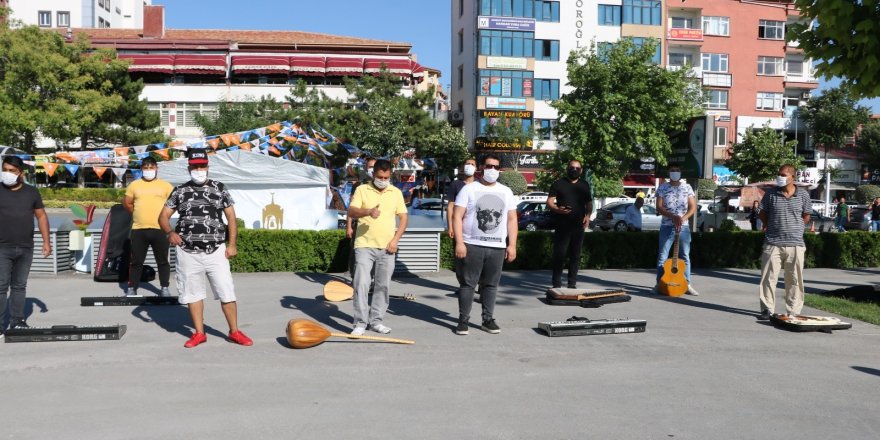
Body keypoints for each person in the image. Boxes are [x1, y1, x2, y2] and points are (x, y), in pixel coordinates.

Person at [158, 149, 252, 348]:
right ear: (189, 168)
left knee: (226, 292)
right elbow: (163, 216)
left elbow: (231, 218)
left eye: (202, 166)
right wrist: (169, 233)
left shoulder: (219, 188)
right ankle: (199, 333)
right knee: (193, 294)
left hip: (216, 251)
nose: (199, 170)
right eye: (195, 166)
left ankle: (234, 331)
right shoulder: (180, 191)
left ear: (208, 167)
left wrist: (232, 244)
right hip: (187, 252)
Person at [452, 154, 517, 335]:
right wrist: (459, 242)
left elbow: (511, 219)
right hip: (472, 244)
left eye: (496, 167)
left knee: (491, 285)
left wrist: (512, 245)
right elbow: (457, 216)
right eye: (489, 166)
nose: (492, 170)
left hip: (497, 247)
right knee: (468, 284)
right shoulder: (469, 189)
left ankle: (487, 319)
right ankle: (463, 321)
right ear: (481, 167)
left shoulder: (506, 191)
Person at [347, 159, 408, 336]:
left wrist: (395, 240)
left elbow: (403, 218)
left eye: (386, 177)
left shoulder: (395, 192)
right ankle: (360, 322)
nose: (383, 180)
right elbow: (351, 211)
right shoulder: (362, 189)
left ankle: (376, 321)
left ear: (390, 175)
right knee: (362, 283)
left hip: (387, 247)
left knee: (383, 286)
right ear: (373, 174)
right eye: (380, 177)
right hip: (364, 244)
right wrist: (368, 212)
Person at [0, 156, 51, 334]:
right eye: (4, 170)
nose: (7, 174)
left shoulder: (31, 192)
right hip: (2, 248)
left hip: (25, 247)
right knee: (1, 286)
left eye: (11, 171)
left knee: (19, 286)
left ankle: (17, 321)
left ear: (20, 173)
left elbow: (42, 216)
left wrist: (46, 242)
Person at [757, 164, 811, 320]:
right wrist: (769, 225)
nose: (780, 177)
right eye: (779, 174)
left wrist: (798, 227)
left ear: (793, 177)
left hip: (796, 244)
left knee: (794, 279)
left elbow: (806, 215)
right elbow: (761, 212)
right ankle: (767, 309)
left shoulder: (803, 195)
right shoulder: (771, 194)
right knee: (768, 278)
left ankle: (793, 310)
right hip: (773, 242)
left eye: (783, 175)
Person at [123, 156, 173, 297]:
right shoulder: (134, 185)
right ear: (141, 169)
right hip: (139, 229)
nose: (149, 170)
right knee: (136, 261)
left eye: (151, 168)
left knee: (163, 261)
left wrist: (166, 217)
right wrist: (137, 213)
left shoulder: (166, 186)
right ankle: (132, 288)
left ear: (157, 168)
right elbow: (127, 203)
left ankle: (164, 288)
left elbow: (174, 204)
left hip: (160, 229)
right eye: (146, 168)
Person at [547, 159, 593, 288]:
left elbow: (589, 203)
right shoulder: (558, 183)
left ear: (581, 170)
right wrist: (557, 209)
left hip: (578, 226)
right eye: (572, 167)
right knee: (559, 255)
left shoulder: (584, 185)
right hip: (562, 225)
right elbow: (550, 201)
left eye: (577, 168)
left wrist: (588, 216)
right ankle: (556, 284)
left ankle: (572, 284)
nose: (574, 170)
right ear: (567, 168)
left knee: (575, 255)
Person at [655, 165, 699, 296]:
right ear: (669, 173)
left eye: (677, 170)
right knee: (662, 256)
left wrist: (682, 218)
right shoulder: (662, 187)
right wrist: (672, 217)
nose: (675, 172)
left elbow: (692, 207)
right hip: (667, 226)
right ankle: (659, 284)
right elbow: (658, 207)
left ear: (681, 172)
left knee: (685, 256)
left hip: (683, 227)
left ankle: (687, 284)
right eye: (672, 170)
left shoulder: (687, 187)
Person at [446, 157, 477, 291]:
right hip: (459, 228)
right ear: (463, 167)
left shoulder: (480, 185)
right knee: (460, 260)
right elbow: (450, 207)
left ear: (477, 168)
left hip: (476, 229)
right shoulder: (456, 185)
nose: (469, 166)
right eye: (467, 164)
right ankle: (464, 285)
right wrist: (450, 226)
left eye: (472, 164)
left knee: (477, 259)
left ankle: (480, 286)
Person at [346, 157, 376, 278]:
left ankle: (371, 280)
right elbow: (351, 208)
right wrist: (349, 226)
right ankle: (354, 278)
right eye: (370, 167)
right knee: (356, 253)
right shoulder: (358, 185)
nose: (372, 170)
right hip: (359, 224)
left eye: (374, 167)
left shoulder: (383, 186)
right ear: (365, 168)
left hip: (374, 226)